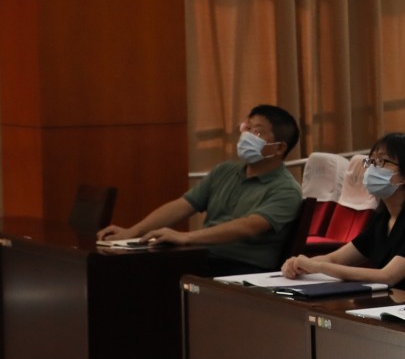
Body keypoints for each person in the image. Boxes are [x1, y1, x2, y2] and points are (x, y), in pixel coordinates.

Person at [98, 105, 305, 274]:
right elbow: (182, 205)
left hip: (241, 269)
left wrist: (186, 237)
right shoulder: (225, 171)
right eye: (246, 128)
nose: (246, 136)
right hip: (203, 257)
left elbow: (248, 227)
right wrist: (132, 232)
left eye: (257, 132)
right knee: (124, 267)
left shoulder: (286, 189)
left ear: (279, 147)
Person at [281, 133, 405, 300]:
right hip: (396, 306)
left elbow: (387, 276)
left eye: (382, 161)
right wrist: (298, 264)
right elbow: (336, 259)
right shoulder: (382, 218)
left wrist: (317, 267)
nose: (373, 168)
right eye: (372, 161)